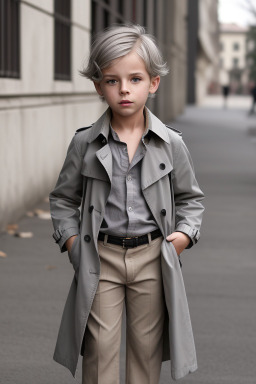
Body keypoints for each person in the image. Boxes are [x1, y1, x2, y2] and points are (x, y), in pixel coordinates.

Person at [49, 24, 204, 384]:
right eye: (112, 80)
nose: (124, 90)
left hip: (152, 257)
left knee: (145, 353)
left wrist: (184, 235)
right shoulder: (85, 143)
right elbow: (62, 199)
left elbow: (191, 198)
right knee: (100, 350)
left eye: (135, 79)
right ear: (98, 86)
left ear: (152, 83)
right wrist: (73, 245)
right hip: (101, 258)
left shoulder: (171, 145)